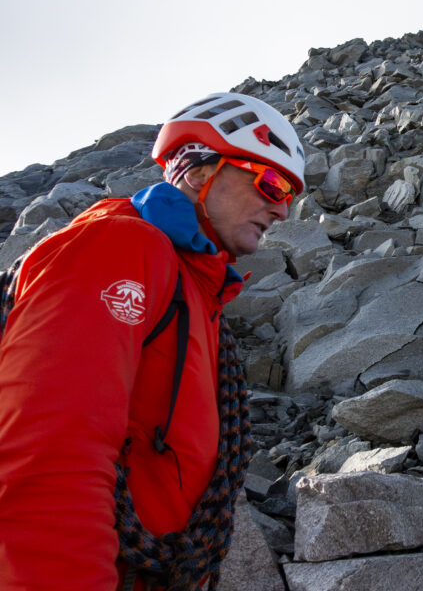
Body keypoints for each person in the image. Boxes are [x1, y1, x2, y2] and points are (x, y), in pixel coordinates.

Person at [0, 93, 305, 590]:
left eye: (290, 193)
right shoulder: (122, 247)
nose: (283, 209)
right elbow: (48, 453)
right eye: (271, 183)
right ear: (200, 171)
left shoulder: (197, 286)